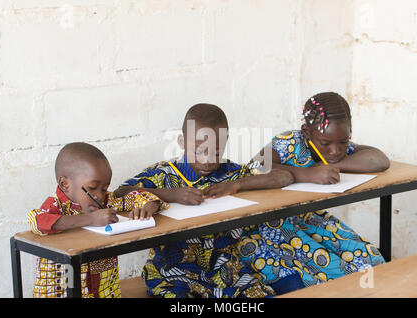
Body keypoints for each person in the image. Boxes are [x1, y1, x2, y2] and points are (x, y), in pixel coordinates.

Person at [115, 103, 296, 298]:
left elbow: (284, 176)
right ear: (182, 142)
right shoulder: (164, 174)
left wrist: (237, 185)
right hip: (174, 272)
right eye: (199, 151)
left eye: (216, 152)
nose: (207, 160)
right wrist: (173, 194)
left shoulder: (231, 172)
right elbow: (120, 193)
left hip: (226, 270)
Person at [238, 92, 389, 294]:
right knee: (314, 282)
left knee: (371, 261)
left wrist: (333, 164)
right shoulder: (290, 142)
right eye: (326, 144)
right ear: (306, 132)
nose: (335, 150)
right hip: (271, 229)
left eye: (343, 142)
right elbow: (255, 165)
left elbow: (379, 160)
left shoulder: (334, 148)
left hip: (310, 221)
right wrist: (308, 174)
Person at [27, 142, 166, 298]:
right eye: (92, 188)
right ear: (64, 184)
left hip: (103, 288)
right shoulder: (55, 205)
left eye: (104, 189)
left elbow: (141, 198)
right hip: (63, 290)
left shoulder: (106, 201)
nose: (100, 195)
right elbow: (36, 221)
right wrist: (89, 219)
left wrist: (147, 208)